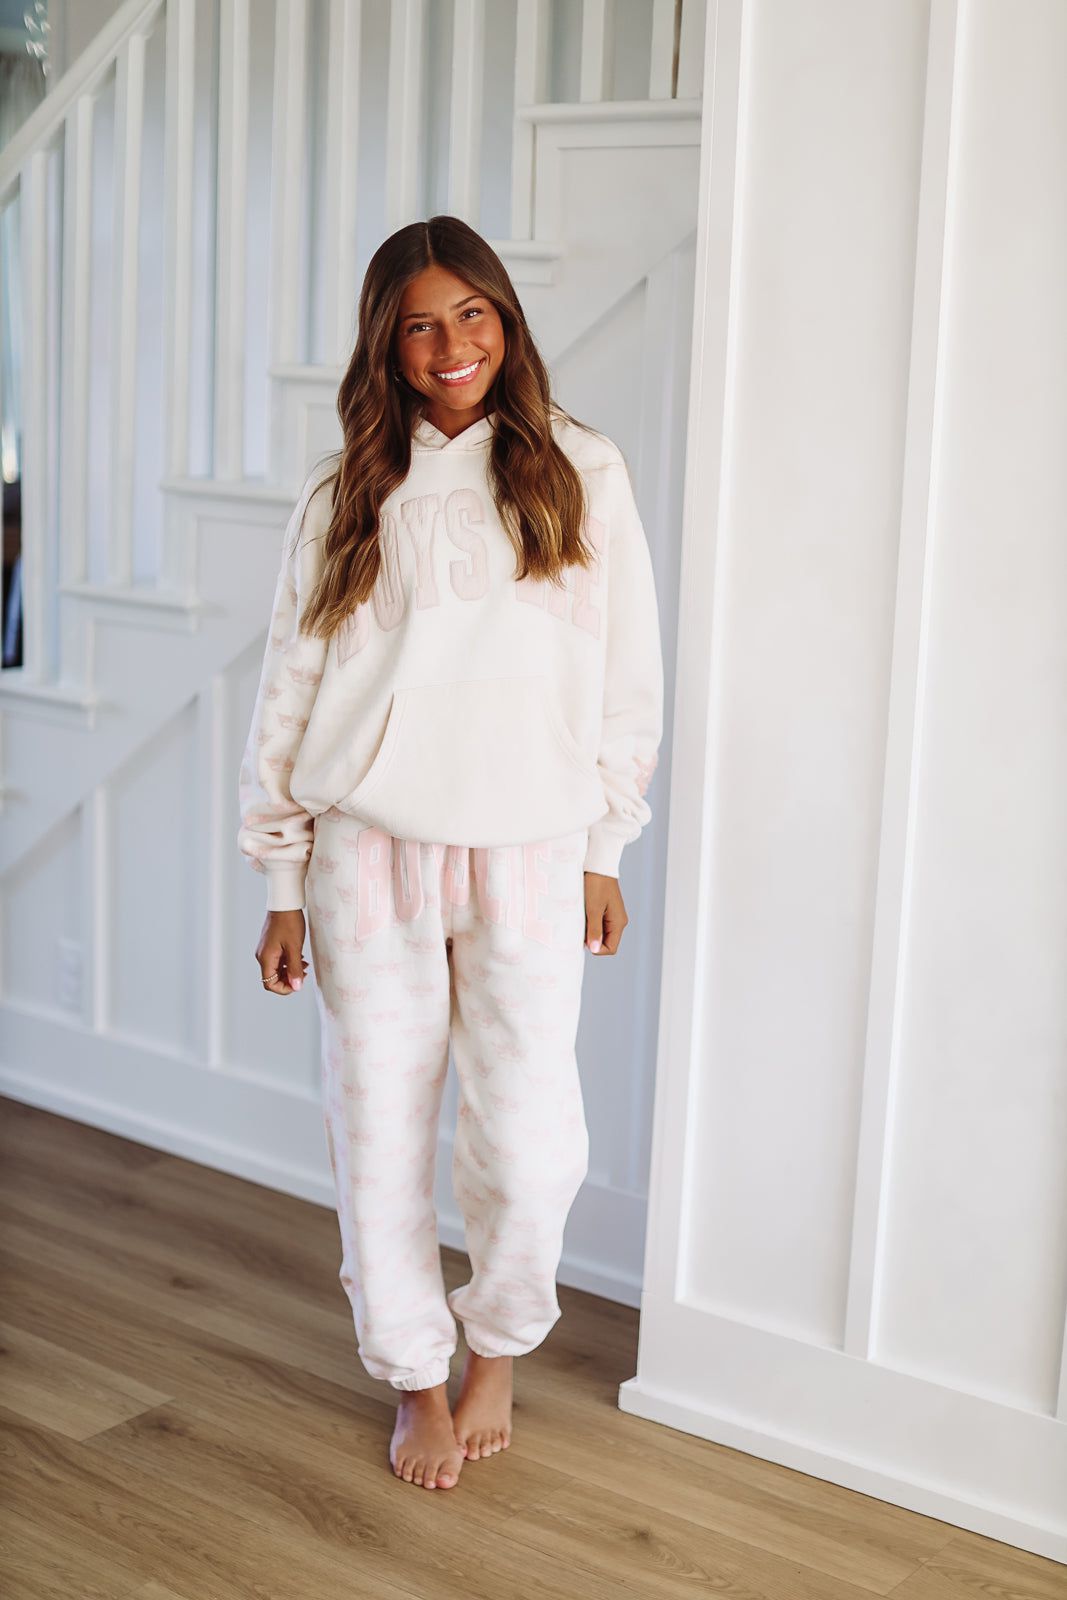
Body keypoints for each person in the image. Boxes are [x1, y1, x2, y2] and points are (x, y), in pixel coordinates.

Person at [237, 215, 664, 1491]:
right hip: (364, 853)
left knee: (530, 1144)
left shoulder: (581, 468)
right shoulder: (345, 491)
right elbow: (289, 686)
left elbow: (626, 673)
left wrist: (605, 843)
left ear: (505, 318)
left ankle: (498, 1345)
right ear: (387, 343)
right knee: (377, 1128)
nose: (449, 345)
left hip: (531, 847)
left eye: (471, 313)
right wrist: (279, 876)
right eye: (418, 324)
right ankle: (414, 1375)